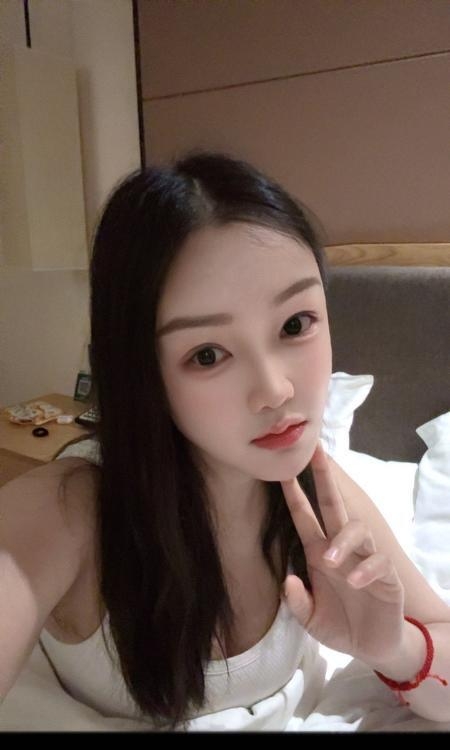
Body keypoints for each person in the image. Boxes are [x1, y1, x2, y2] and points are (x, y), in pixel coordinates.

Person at [1, 152, 449, 732]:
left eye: (295, 325)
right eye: (208, 355)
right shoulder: (68, 510)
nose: (276, 389)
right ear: (142, 372)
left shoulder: (319, 497)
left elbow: (437, 633)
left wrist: (394, 649)